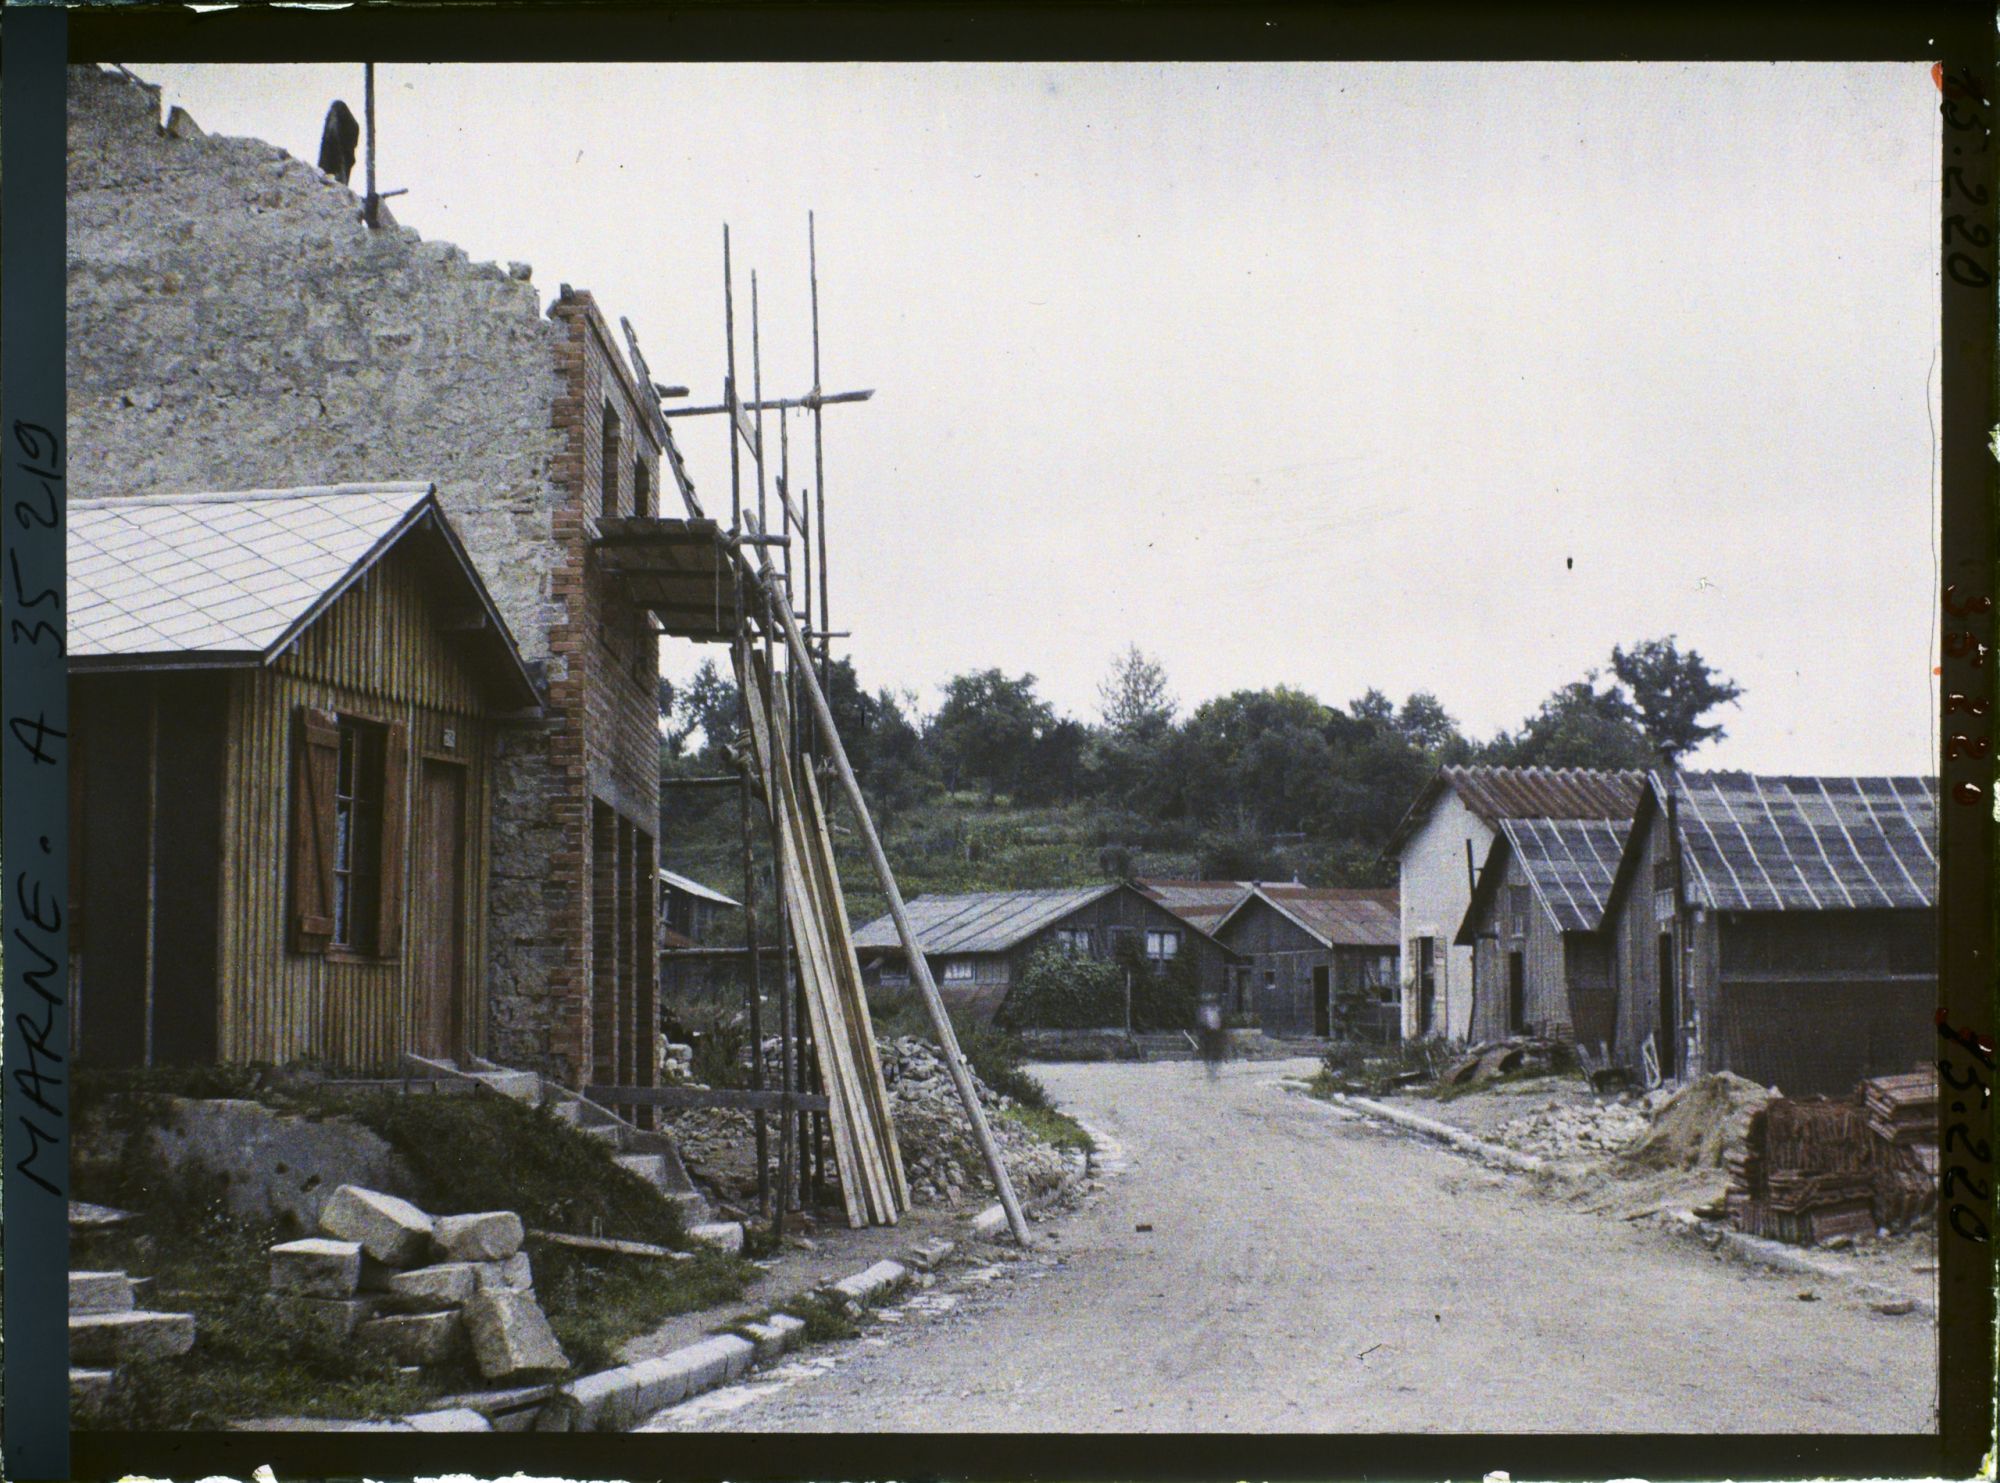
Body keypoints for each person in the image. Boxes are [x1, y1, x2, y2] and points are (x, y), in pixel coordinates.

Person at [1197, 991, 1228, 1080]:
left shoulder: (1219, 1010)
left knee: (1217, 1053)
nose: (1212, 1003)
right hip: (1207, 1033)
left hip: (1217, 1034)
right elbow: (1201, 1022)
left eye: (1213, 1001)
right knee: (1207, 1052)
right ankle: (1209, 1070)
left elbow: (1223, 1021)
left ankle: (1214, 1071)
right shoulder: (1203, 1010)